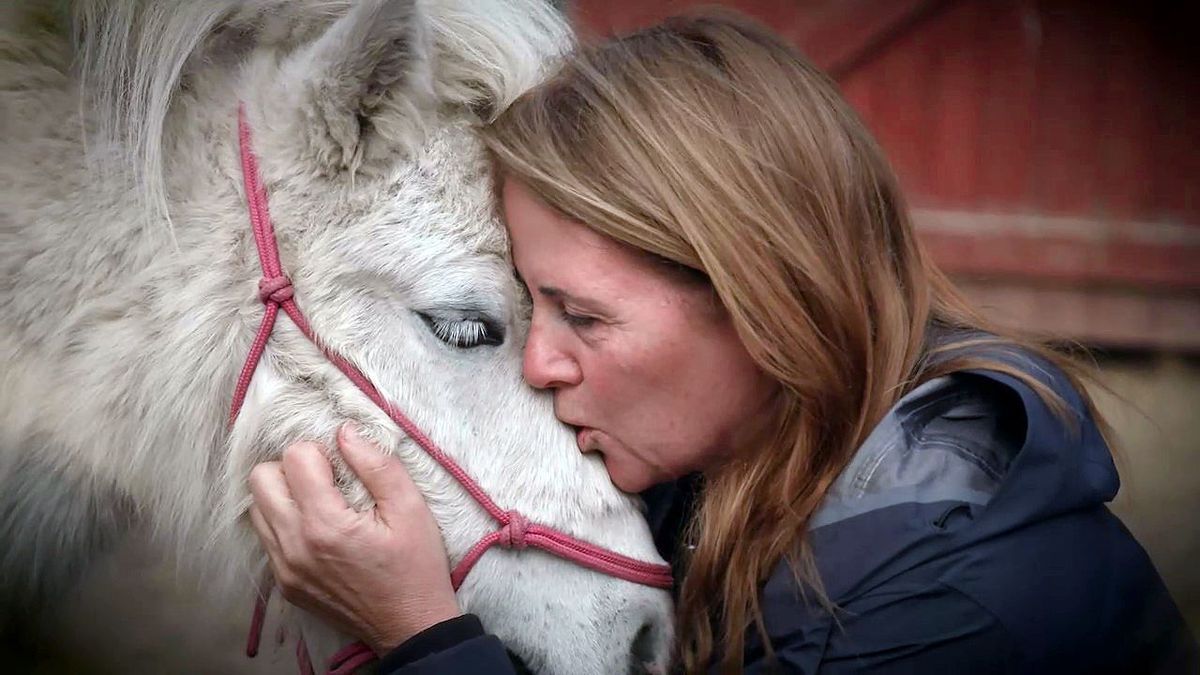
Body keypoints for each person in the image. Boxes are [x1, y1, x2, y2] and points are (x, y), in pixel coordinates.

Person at [247, 11, 1198, 674]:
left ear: (765, 300)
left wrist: (421, 636)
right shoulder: (737, 473)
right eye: (532, 311)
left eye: (583, 315)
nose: (539, 362)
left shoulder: (950, 606)